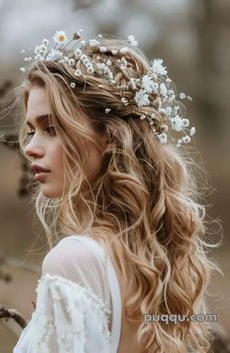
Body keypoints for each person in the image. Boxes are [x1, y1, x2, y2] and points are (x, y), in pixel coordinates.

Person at [12, 29, 220, 353]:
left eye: (51, 129)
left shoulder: (73, 261)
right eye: (31, 131)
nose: (31, 149)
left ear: (108, 136)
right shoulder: (156, 263)